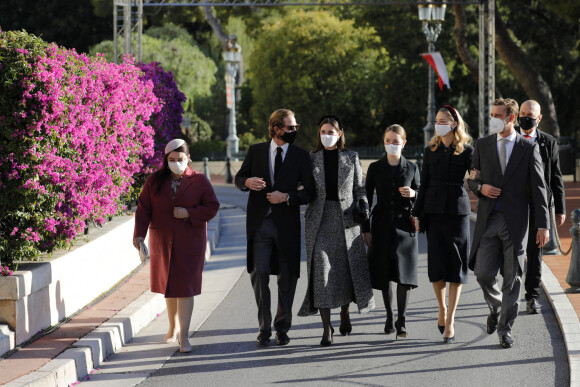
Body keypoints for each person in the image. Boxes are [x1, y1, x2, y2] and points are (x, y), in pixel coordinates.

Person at [467, 98, 549, 349]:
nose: (493, 119)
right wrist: (482, 187)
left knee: (512, 279)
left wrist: (543, 225)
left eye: (498, 115)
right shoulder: (482, 145)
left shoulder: (527, 148)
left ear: (511, 118)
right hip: (488, 221)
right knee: (482, 274)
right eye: (492, 114)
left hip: (516, 223)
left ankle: (505, 329)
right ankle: (495, 307)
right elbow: (471, 181)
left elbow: (539, 188)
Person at [235, 109, 314, 347]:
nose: (294, 131)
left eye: (296, 127)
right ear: (276, 128)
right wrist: (247, 182)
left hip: (287, 226)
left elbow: (310, 193)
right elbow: (240, 178)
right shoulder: (256, 151)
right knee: (258, 272)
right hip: (260, 224)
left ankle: (282, 327)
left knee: (287, 277)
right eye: (290, 128)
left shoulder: (301, 156)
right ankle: (264, 327)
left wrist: (287, 197)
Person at [133, 139, 220, 353]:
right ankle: (172, 327)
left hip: (190, 242)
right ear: (166, 160)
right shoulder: (155, 181)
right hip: (162, 241)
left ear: (188, 159)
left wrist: (189, 213)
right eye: (171, 160)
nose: (176, 163)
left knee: (186, 288)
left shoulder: (199, 181)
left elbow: (212, 207)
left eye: (180, 159)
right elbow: (143, 209)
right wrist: (139, 236)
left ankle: (184, 334)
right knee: (170, 288)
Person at [298, 115, 374, 346]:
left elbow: (360, 189)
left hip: (346, 220)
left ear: (340, 134)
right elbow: (305, 188)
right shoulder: (310, 159)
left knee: (344, 270)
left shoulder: (351, 158)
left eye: (331, 131)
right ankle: (326, 328)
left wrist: (363, 208)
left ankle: (344, 312)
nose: (326, 135)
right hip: (319, 220)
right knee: (321, 271)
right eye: (323, 131)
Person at [412, 105, 473, 344]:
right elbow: (423, 184)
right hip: (433, 212)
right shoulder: (430, 150)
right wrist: (416, 214)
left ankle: (451, 320)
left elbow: (477, 178)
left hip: (457, 212)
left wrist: (479, 180)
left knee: (456, 266)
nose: (438, 123)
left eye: (443, 120)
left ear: (454, 123)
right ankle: (441, 308)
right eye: (436, 120)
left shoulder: (467, 151)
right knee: (436, 265)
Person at [363, 124, 419, 339]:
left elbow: (422, 195)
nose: (392, 144)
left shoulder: (413, 167)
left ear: (403, 143)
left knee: (404, 274)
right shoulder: (376, 168)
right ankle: (389, 315)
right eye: (388, 140)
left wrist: (413, 193)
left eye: (396, 141)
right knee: (385, 273)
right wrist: (365, 229)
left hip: (406, 226)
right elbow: (366, 200)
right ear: (384, 142)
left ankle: (402, 321)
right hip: (381, 224)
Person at [517, 99, 566, 314]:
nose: (526, 116)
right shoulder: (510, 139)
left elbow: (556, 176)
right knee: (511, 252)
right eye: (523, 112)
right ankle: (509, 294)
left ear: (539, 118)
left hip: (540, 206)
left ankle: (532, 296)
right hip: (514, 205)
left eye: (531, 114)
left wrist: (561, 208)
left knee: (535, 253)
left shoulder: (548, 142)